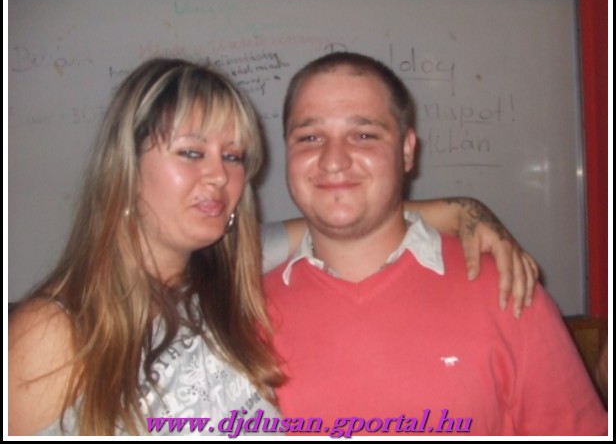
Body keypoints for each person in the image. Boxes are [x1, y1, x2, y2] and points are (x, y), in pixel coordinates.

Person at [8, 57, 535, 436]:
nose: (219, 176)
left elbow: (348, 215)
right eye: (191, 152)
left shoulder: (228, 276)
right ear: (125, 166)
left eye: (233, 156)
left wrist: (465, 209)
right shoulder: (52, 331)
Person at [265, 52, 607, 435]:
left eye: (363, 135)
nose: (333, 160)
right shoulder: (246, 315)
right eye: (310, 138)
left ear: (407, 151)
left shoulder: (506, 290)